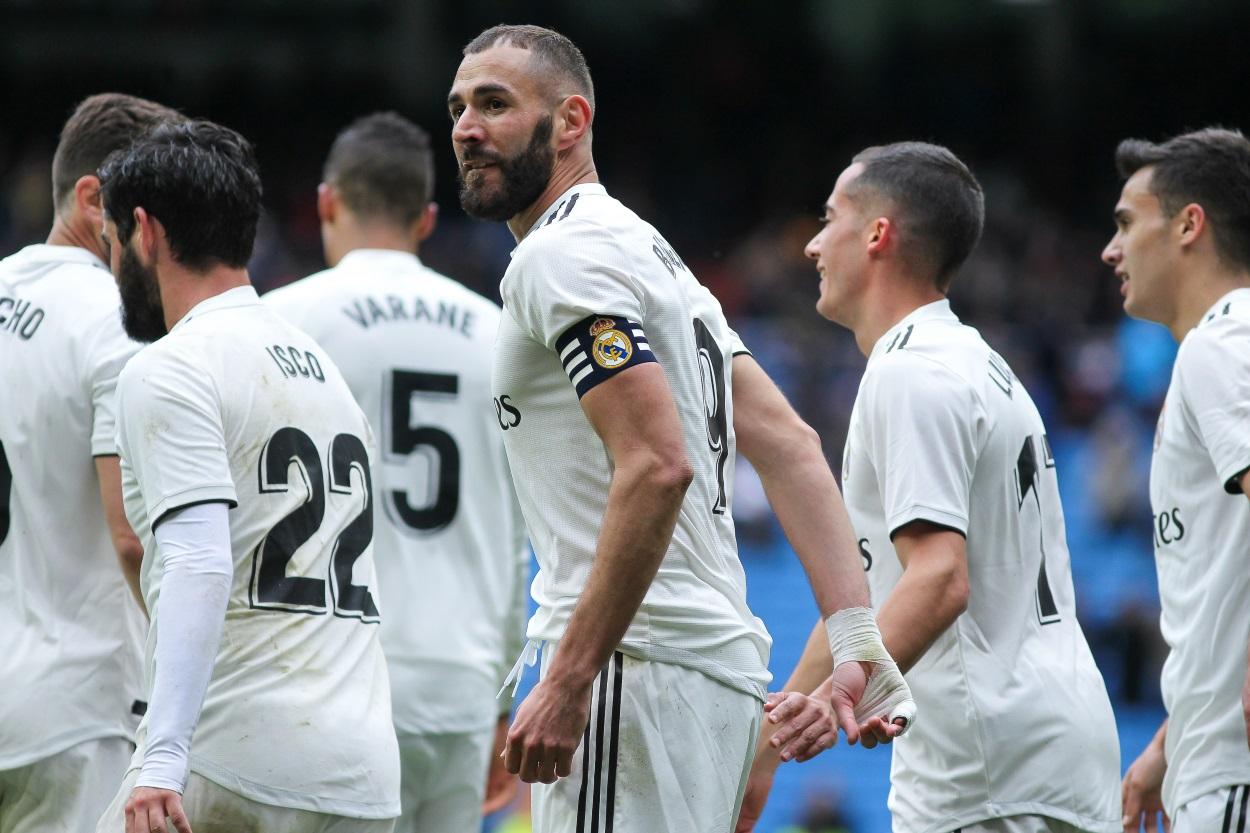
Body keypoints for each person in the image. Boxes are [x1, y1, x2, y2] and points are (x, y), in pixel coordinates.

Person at [448, 24, 913, 833]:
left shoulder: (559, 256)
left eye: (495, 103)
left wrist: (568, 677)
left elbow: (659, 464)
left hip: (634, 673)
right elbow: (792, 446)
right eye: (457, 107)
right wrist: (854, 639)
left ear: (570, 122)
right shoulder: (653, 256)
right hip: (708, 675)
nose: (466, 127)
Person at [761, 142, 1121, 833]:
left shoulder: (910, 371)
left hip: (986, 769)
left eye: (828, 218)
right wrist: (765, 755)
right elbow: (861, 600)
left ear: (877, 234)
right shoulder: (978, 363)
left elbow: (940, 576)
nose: (810, 244)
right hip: (1045, 751)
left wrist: (852, 683)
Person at [94, 119, 399, 833]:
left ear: (145, 231)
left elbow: (200, 561)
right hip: (360, 776)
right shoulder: (323, 372)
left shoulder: (170, 367)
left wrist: (162, 757)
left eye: (113, 243)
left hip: (235, 758)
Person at [264, 111, 529, 833]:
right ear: (427, 218)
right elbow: (514, 536)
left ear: (326, 201)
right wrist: (501, 697)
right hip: (459, 682)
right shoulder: (499, 335)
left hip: (326, 681)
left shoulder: (277, 322)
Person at [0, 92, 179, 832]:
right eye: (153, 206)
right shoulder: (118, 322)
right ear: (92, 198)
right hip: (76, 710)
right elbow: (133, 534)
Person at [1104, 128, 1250, 833]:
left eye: (1128, 224)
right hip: (1209, 753)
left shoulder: (1223, 342)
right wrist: (1172, 739)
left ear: (1190, 224)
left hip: (1236, 766)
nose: (1112, 249)